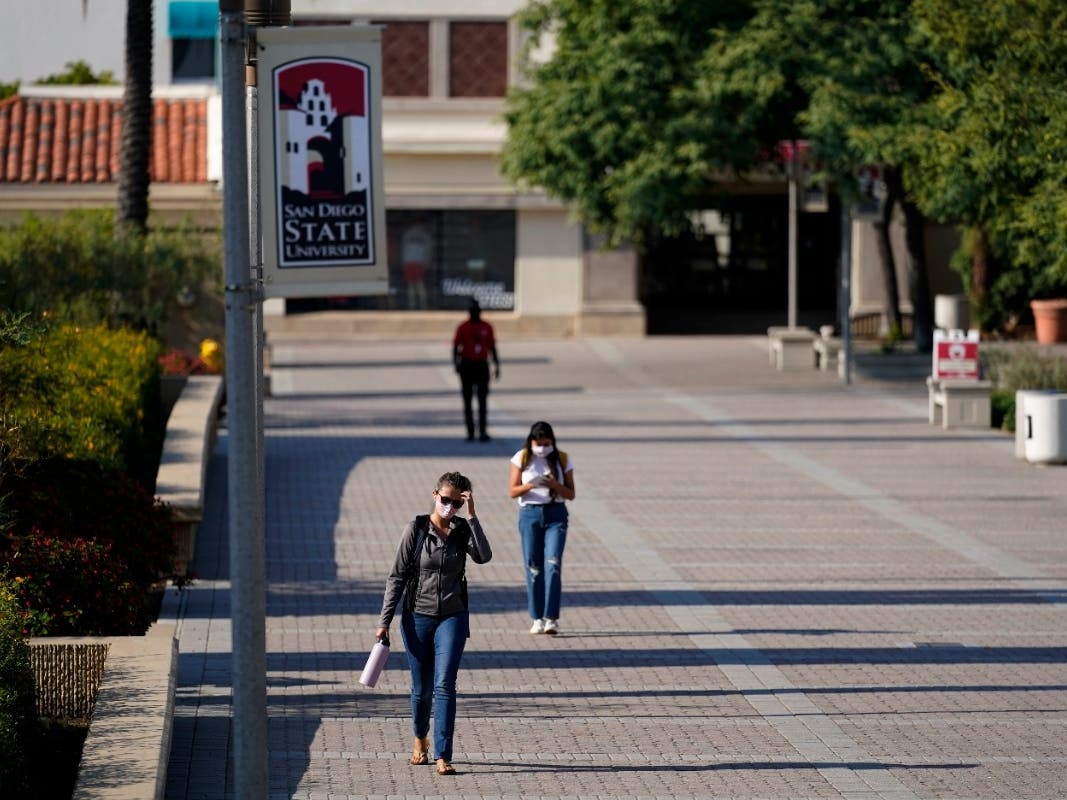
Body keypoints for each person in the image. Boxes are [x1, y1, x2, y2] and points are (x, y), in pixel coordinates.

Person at [375, 471, 493, 776]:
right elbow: (397, 576)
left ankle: (443, 755)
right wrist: (384, 621)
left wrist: (473, 516)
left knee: (444, 684)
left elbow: (483, 556)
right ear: (434, 495)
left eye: (456, 502)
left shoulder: (462, 529)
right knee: (421, 689)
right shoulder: (414, 529)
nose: (449, 507)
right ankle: (419, 738)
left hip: (453, 616)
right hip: (417, 618)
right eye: (445, 500)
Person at [507, 421, 576, 635]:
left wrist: (555, 485)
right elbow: (512, 490)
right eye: (539, 444)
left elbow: (571, 494)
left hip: (556, 513)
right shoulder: (522, 458)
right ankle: (536, 617)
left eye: (547, 444)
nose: (543, 448)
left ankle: (551, 618)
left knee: (553, 563)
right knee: (533, 566)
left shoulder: (562, 458)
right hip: (530, 514)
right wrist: (532, 484)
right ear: (531, 441)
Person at [452, 299, 500, 441]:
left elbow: (492, 347)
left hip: (482, 366)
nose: (474, 313)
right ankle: (470, 431)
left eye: (476, 311)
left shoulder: (487, 327)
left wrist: (497, 365)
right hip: (467, 365)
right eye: (472, 311)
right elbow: (456, 347)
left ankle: (483, 431)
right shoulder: (463, 327)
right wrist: (456, 363)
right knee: (467, 401)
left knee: (482, 400)